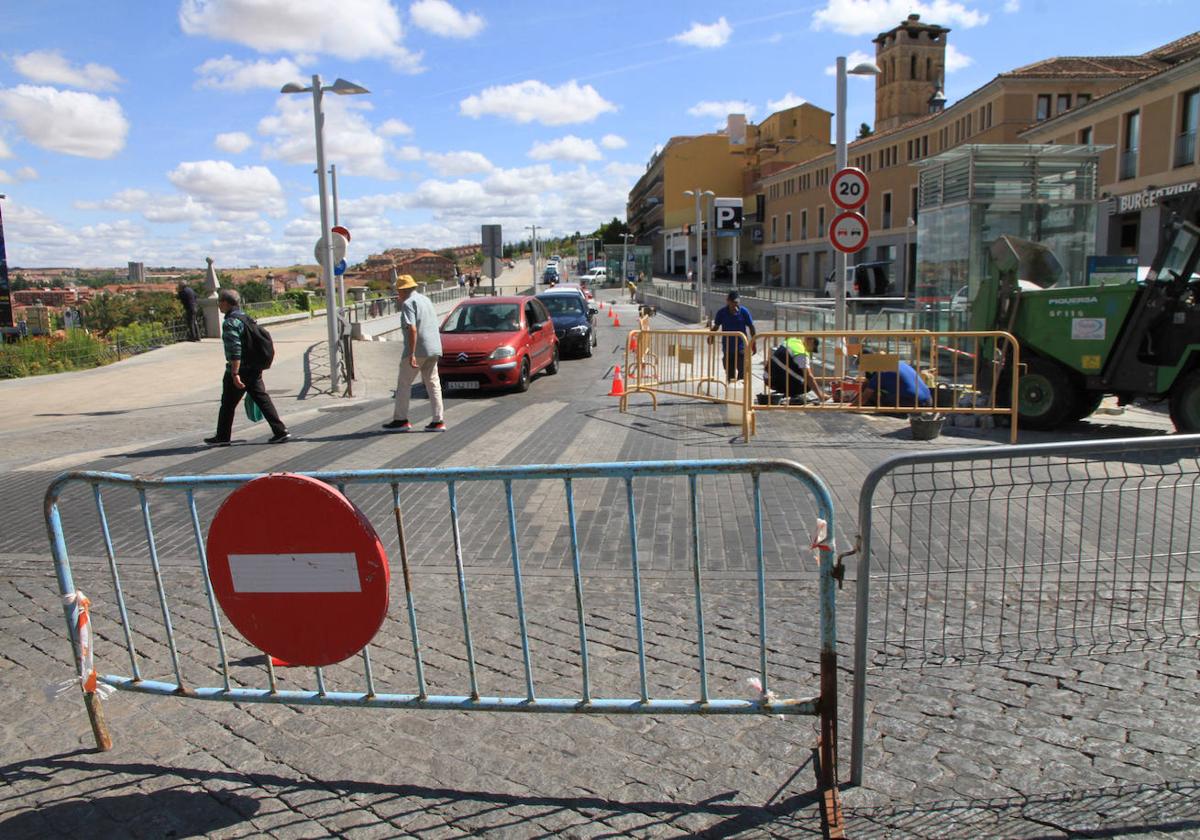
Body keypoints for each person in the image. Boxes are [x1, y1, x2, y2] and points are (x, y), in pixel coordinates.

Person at [205, 289, 290, 446]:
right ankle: (281, 431)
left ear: (225, 302)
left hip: (240, 369)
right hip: (254, 367)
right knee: (262, 399)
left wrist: (235, 373)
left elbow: (235, 349)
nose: (218, 306)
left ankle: (222, 437)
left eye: (219, 302)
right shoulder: (245, 317)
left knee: (228, 404)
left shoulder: (230, 322)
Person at [383, 274, 445, 432]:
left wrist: (411, 354)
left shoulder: (408, 303)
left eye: (398, 291)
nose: (398, 294)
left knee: (404, 384)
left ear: (402, 290)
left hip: (418, 350)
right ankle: (438, 421)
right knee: (433, 384)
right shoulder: (426, 300)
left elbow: (412, 328)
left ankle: (401, 420)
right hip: (434, 349)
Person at [855, 349, 932, 409]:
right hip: (929, 401)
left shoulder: (881, 371)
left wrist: (850, 407)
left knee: (874, 395)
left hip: (914, 404)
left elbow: (864, 397)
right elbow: (868, 382)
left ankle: (892, 412)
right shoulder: (899, 363)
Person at [709, 290, 755, 381]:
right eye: (733, 302)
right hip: (728, 348)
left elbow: (751, 327)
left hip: (741, 347)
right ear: (728, 301)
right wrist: (711, 336)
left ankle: (741, 391)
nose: (735, 305)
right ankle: (732, 391)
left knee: (742, 371)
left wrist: (754, 343)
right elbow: (716, 327)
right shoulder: (721, 313)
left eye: (737, 302)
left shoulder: (744, 312)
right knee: (730, 374)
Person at [768, 336, 826, 402]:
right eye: (813, 348)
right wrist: (820, 395)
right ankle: (791, 394)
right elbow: (808, 376)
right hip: (777, 381)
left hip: (769, 378)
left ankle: (783, 393)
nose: (811, 351)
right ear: (811, 341)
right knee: (808, 384)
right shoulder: (801, 352)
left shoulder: (792, 341)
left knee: (798, 372)